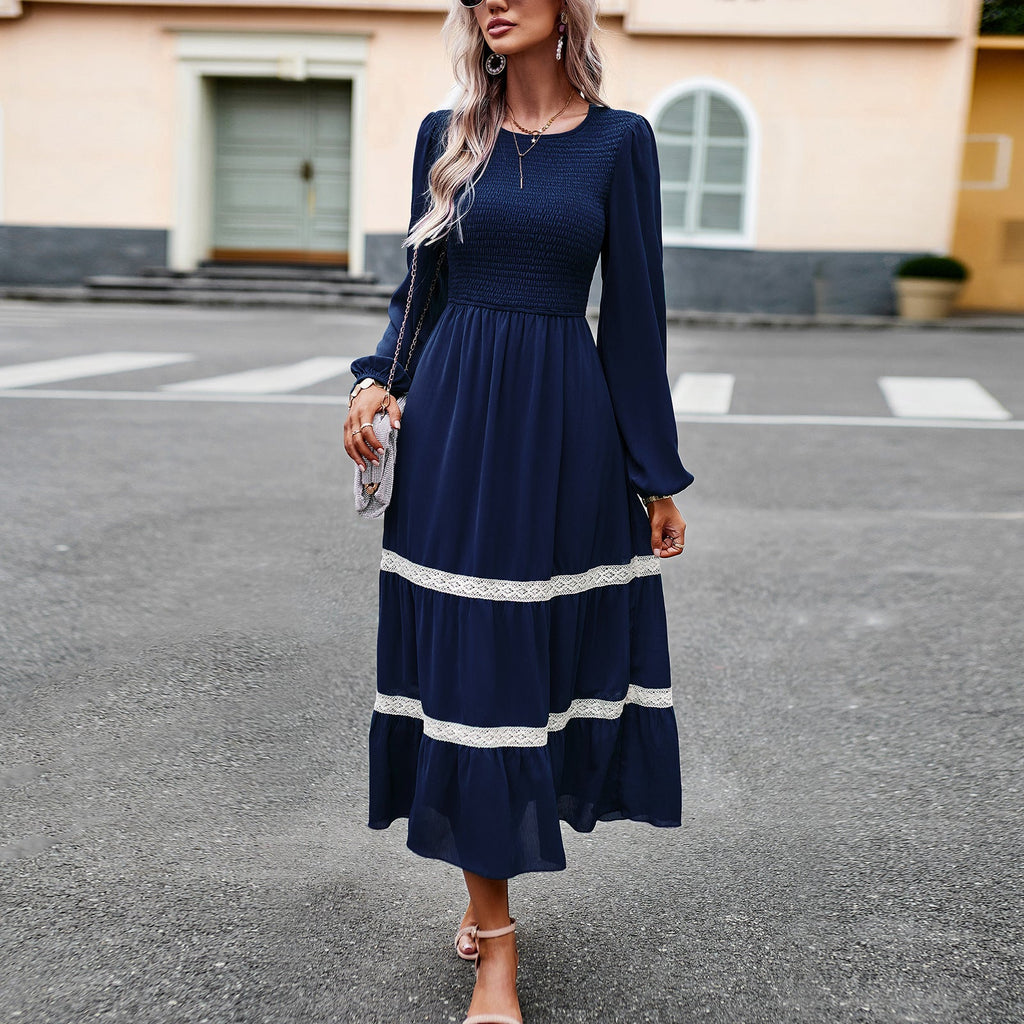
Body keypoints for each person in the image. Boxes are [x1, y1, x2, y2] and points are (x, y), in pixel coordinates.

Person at [343, 1, 693, 1021]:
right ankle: (495, 946)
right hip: (455, 426)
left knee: (529, 670)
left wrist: (652, 474)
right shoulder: (446, 134)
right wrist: (376, 378)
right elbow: (420, 289)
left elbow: (636, 315)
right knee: (473, 668)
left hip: (563, 428)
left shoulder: (621, 144)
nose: (493, 1)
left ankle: (485, 875)